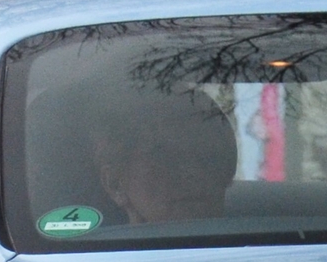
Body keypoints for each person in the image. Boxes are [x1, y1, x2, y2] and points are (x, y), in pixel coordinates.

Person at [89, 89, 239, 226]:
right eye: (165, 158)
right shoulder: (88, 255)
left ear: (228, 169)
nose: (191, 171)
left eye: (205, 156)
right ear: (115, 183)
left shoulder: (258, 241)